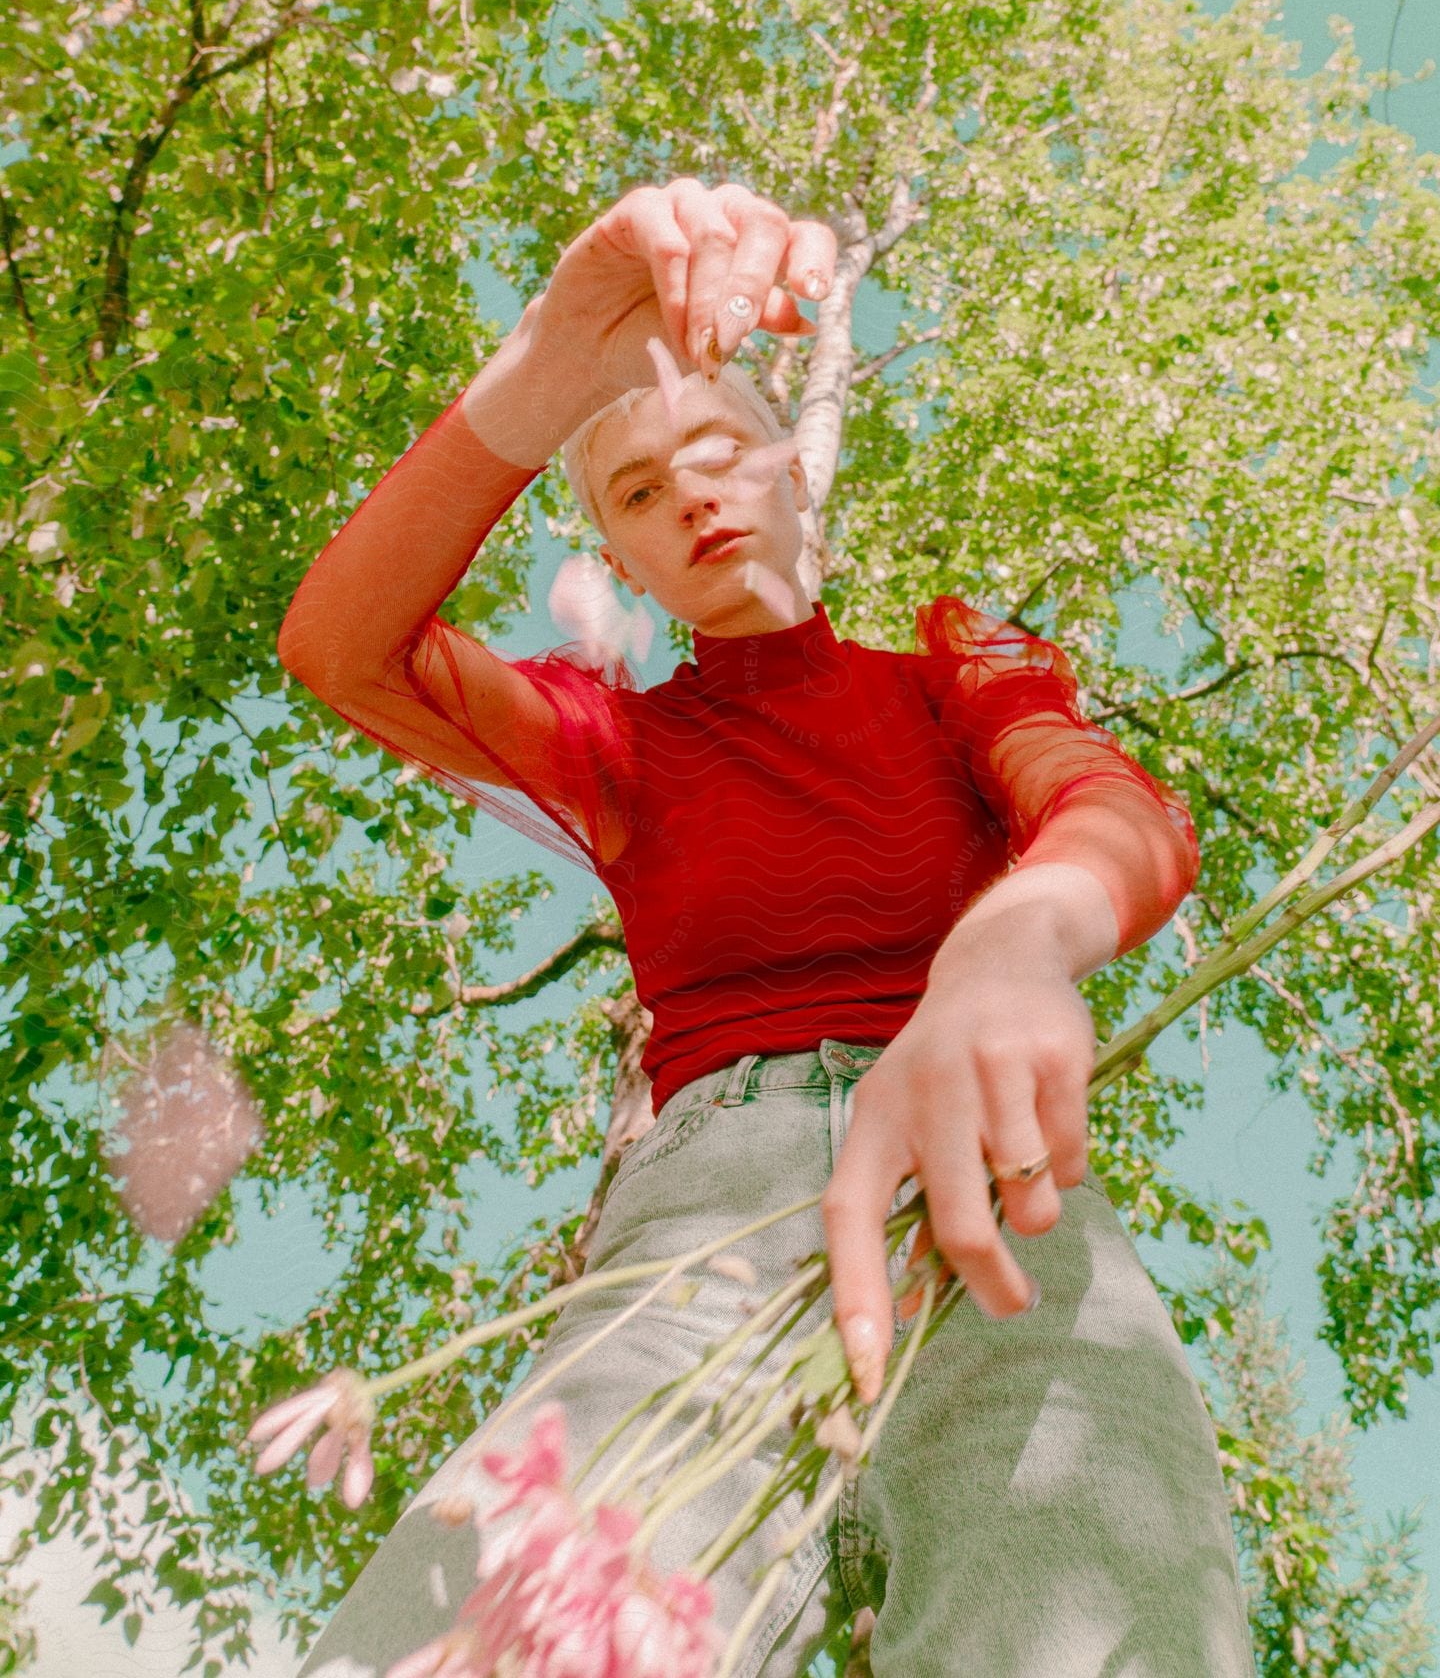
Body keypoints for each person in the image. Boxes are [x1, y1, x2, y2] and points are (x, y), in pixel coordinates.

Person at [278, 178, 1256, 1676]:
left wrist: (1010, 945)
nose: (692, 501)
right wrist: (553, 365)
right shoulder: (617, 743)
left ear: (797, 466)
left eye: (718, 452)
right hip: (697, 1235)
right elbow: (343, 646)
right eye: (639, 496)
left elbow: (1108, 808)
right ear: (627, 554)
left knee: (1100, 1626)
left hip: (995, 1202)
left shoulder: (944, 664)